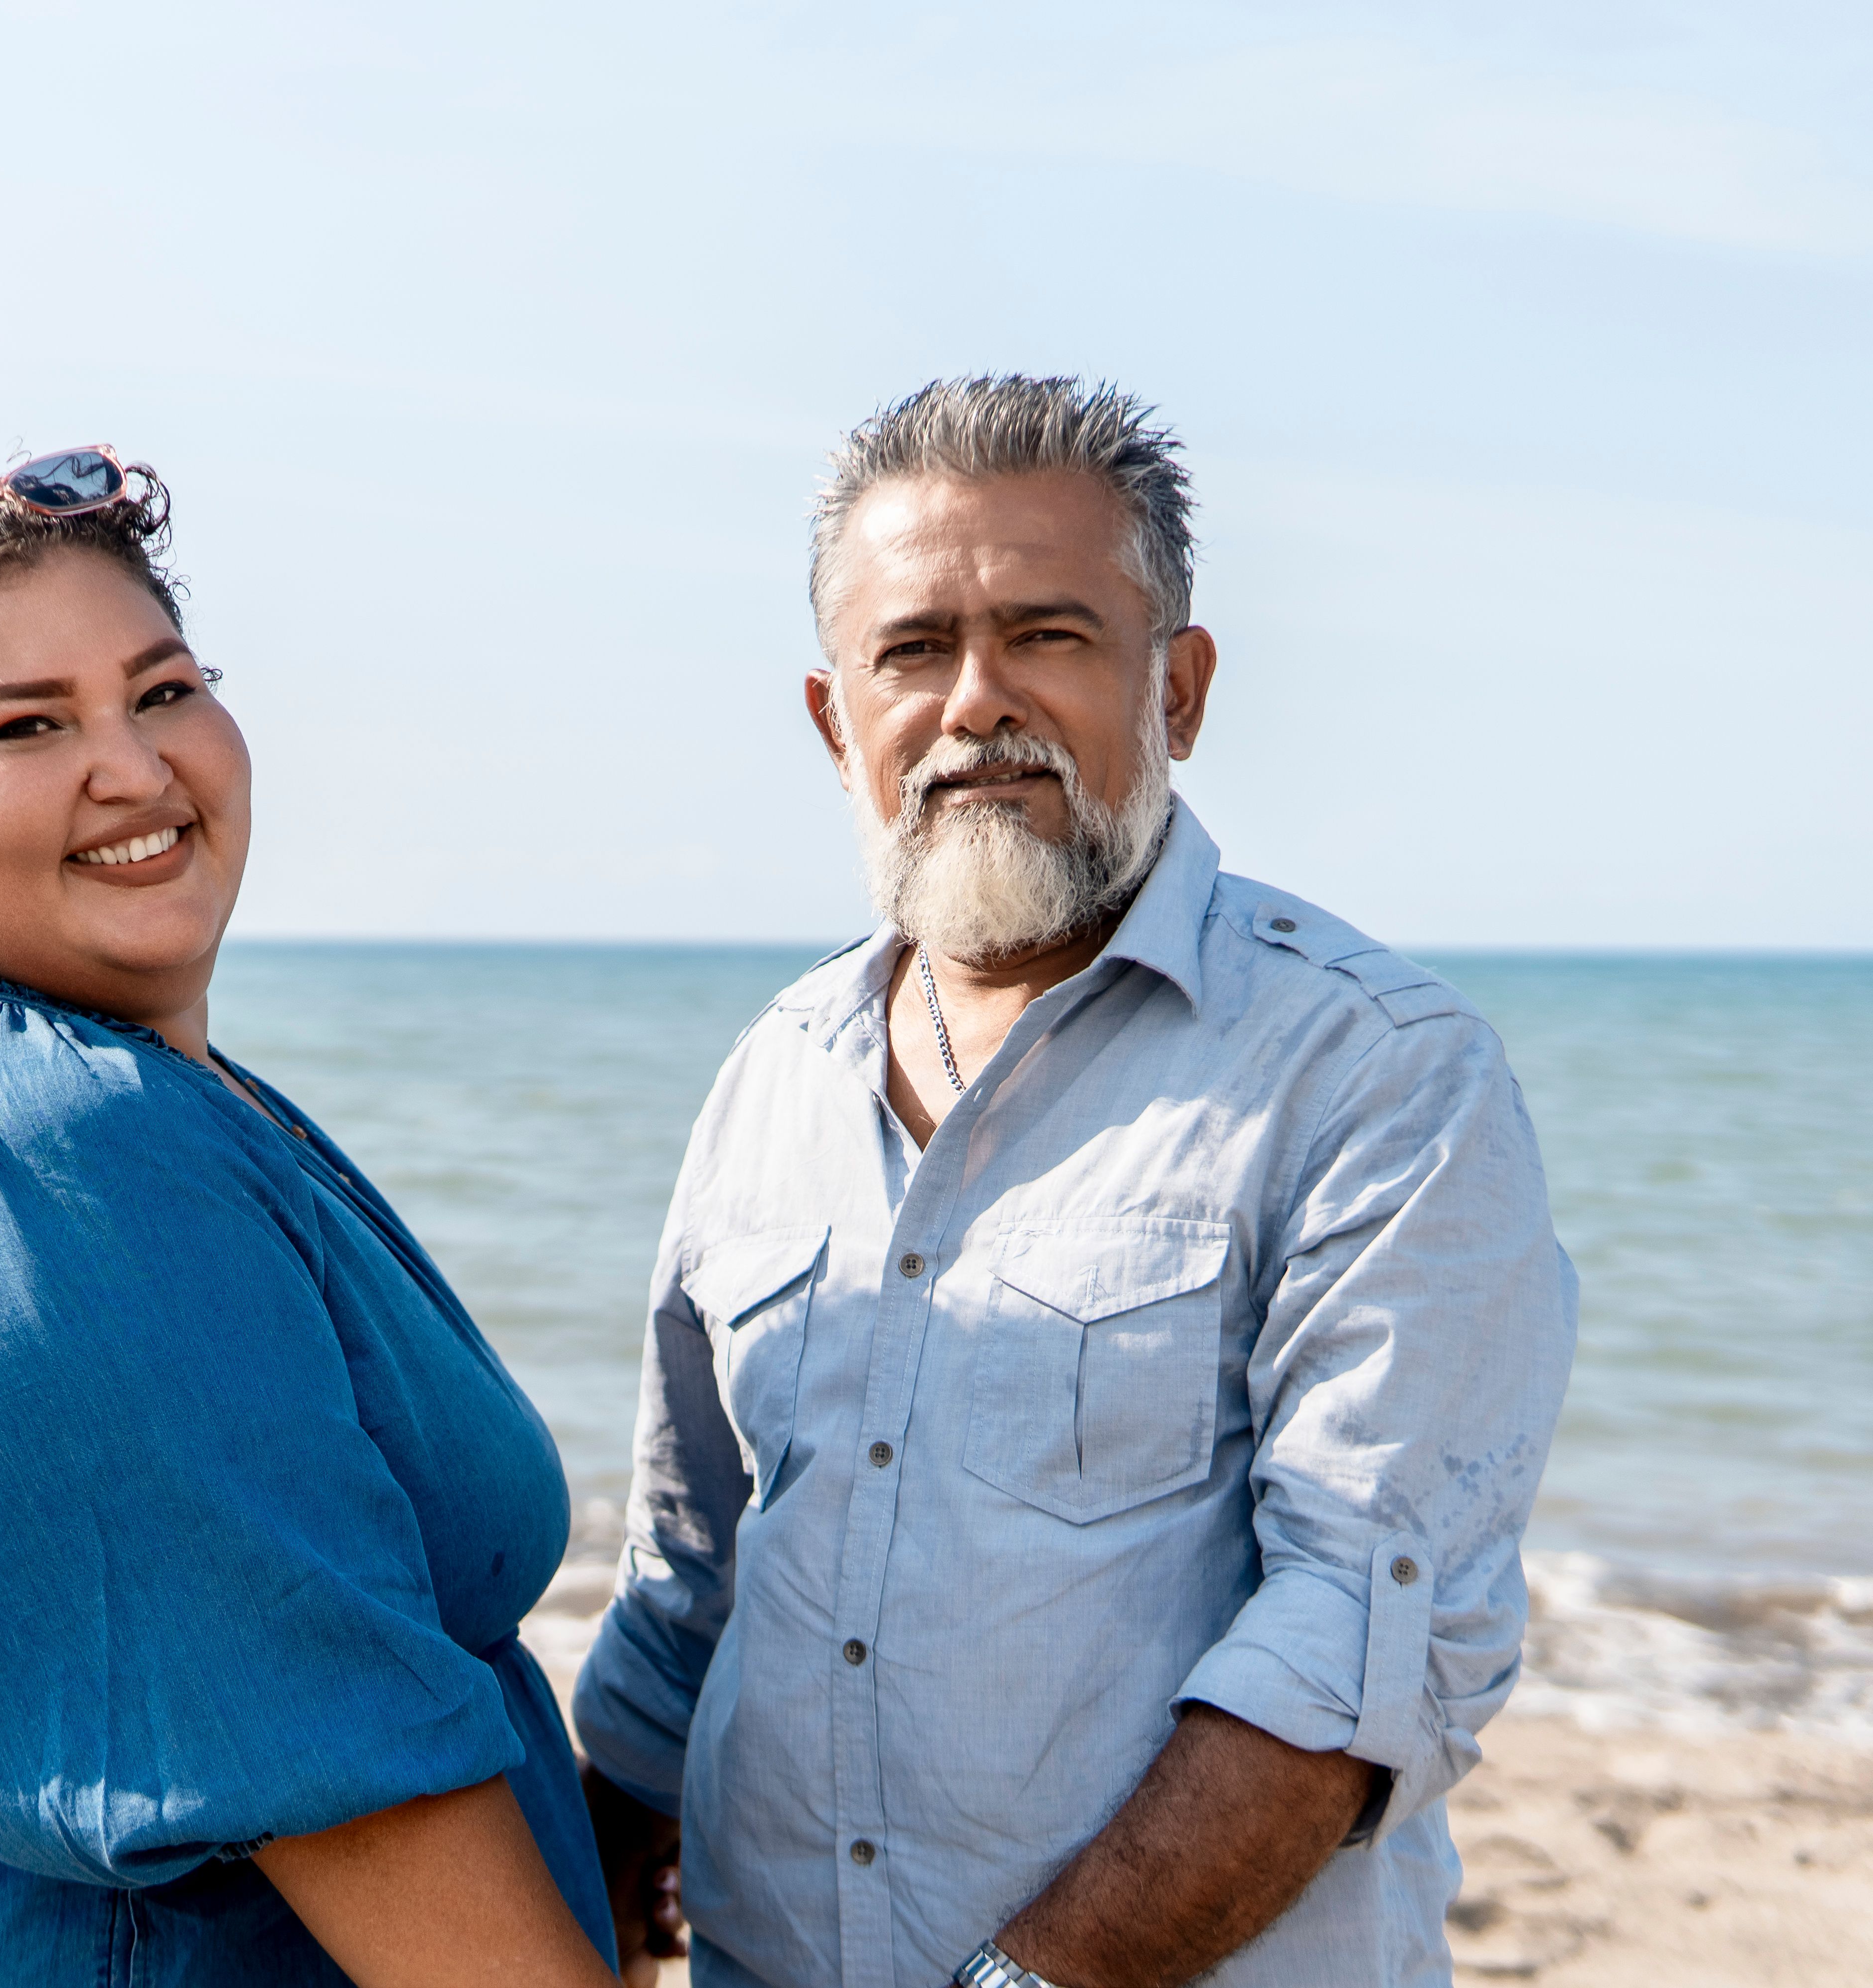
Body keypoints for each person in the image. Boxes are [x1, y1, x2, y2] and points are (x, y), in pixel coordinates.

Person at [570, 378, 1578, 1988]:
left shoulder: (1379, 1076)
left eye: (1047, 636)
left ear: (1176, 687)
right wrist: (599, 1848)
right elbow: (696, 1571)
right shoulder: (773, 1074)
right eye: (913, 651)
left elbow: (1359, 1657)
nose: (976, 704)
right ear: (837, 719)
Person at [0, 449, 619, 1988]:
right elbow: (342, 1781)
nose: (134, 768)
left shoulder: (91, 1089)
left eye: (163, 692)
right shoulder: (18, 1149)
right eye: (28, 725)